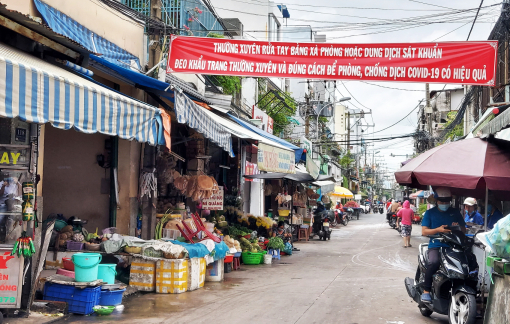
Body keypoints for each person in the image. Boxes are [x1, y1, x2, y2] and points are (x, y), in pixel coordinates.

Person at [420, 187, 466, 303]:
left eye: (446, 202)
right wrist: (438, 230)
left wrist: (457, 227)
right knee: (434, 262)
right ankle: (426, 291)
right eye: (442, 201)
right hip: (435, 245)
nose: (444, 204)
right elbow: (424, 231)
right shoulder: (430, 213)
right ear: (436, 201)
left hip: (452, 245)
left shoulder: (455, 212)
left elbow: (464, 229)